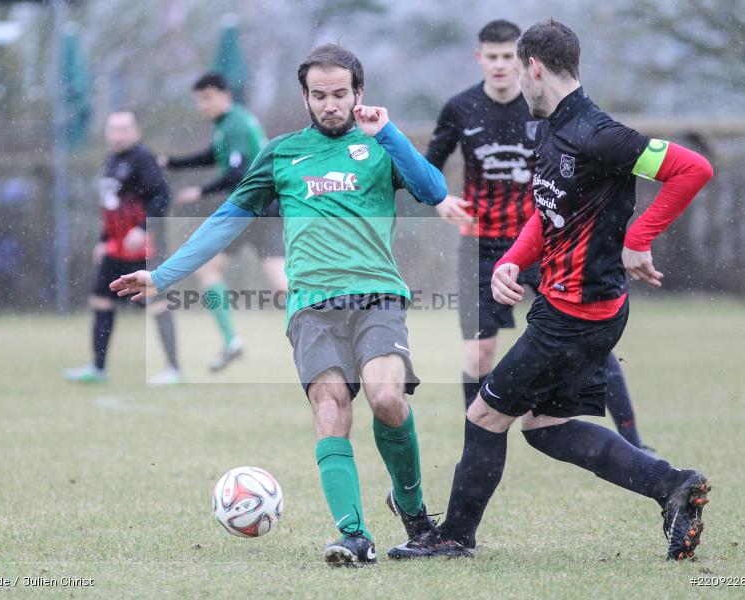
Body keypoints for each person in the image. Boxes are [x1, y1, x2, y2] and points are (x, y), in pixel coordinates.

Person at [388, 20, 713, 561]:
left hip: (575, 315)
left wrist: (639, 238)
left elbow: (693, 169)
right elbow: (549, 212)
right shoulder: (549, 129)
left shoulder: (598, 133)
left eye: (519, 71)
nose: (517, 82)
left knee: (484, 416)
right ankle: (672, 486)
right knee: (545, 426)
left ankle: (454, 539)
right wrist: (513, 261)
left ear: (534, 68)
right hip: (579, 311)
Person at [111, 44, 447, 566]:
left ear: (359, 93)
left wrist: (390, 133)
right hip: (311, 305)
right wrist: (164, 275)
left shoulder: (380, 145)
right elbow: (227, 219)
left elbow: (433, 189)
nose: (330, 104)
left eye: (340, 94)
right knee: (330, 406)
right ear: (305, 97)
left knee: (386, 399)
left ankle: (413, 510)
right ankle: (355, 536)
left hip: (379, 295)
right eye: (319, 95)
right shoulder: (283, 154)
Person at [426, 19, 649, 449]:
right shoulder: (460, 108)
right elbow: (428, 165)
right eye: (489, 56)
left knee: (588, 341)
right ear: (479, 58)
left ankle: (634, 439)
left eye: (507, 56)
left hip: (547, 242)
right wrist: (440, 202)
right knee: (478, 355)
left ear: (528, 63)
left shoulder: (545, 109)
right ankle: (480, 439)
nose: (498, 65)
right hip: (482, 246)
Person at [159, 73, 287, 372]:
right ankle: (323, 325)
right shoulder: (230, 123)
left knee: (208, 269)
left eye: (206, 98)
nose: (202, 106)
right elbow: (213, 157)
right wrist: (173, 163)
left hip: (251, 209)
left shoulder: (234, 124)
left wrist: (200, 191)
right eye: (198, 100)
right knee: (279, 281)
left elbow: (237, 173)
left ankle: (232, 341)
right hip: (265, 206)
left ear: (223, 95)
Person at [65, 111, 181, 385]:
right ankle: (98, 368)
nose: (118, 134)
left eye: (124, 129)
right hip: (114, 249)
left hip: (143, 250)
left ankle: (173, 369)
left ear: (136, 131)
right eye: (114, 129)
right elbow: (111, 207)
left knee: (156, 306)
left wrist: (142, 228)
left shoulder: (143, 159)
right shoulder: (111, 161)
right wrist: (102, 240)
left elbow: (161, 195)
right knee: (100, 303)